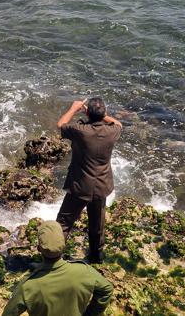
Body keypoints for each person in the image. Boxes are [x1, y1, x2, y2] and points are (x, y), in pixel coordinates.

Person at [56, 97, 122, 263]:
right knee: (97, 225)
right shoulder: (112, 132)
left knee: (64, 222)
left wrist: (74, 108)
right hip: (101, 186)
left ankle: (54, 257)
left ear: (88, 114)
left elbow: (60, 125)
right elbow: (118, 123)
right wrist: (102, 115)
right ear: (103, 114)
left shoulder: (81, 130)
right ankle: (96, 257)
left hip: (80, 185)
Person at [2, 220, 113, 316]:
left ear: (38, 249)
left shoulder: (28, 286)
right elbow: (107, 289)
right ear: (64, 246)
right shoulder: (84, 271)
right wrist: (90, 314)